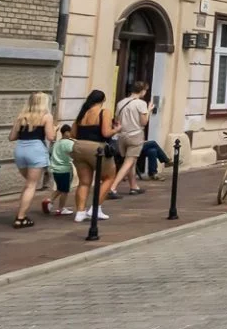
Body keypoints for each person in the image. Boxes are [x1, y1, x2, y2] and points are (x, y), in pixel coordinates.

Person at [7, 92, 57, 228]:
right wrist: (55, 129)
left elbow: (11, 137)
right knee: (31, 185)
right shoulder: (46, 116)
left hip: (20, 149)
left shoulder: (21, 117)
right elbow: (51, 137)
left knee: (27, 184)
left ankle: (20, 213)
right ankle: (20, 218)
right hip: (36, 150)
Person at [70, 90, 116, 223]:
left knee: (84, 182)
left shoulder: (82, 113)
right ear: (102, 100)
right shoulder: (104, 112)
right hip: (97, 148)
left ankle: (80, 212)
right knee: (109, 177)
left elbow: (73, 133)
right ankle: (95, 208)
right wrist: (116, 130)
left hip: (79, 147)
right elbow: (106, 132)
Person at [111, 80, 151, 197]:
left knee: (131, 162)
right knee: (129, 162)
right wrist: (148, 111)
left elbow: (117, 120)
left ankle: (134, 186)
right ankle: (112, 187)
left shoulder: (121, 103)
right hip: (135, 135)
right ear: (142, 91)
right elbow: (144, 122)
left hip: (122, 135)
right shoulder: (141, 104)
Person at [43, 124, 75, 216]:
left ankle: (49, 201)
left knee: (60, 188)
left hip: (55, 169)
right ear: (67, 132)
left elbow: (50, 152)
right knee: (65, 190)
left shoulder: (56, 143)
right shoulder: (70, 143)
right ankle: (60, 209)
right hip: (65, 169)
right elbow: (74, 153)